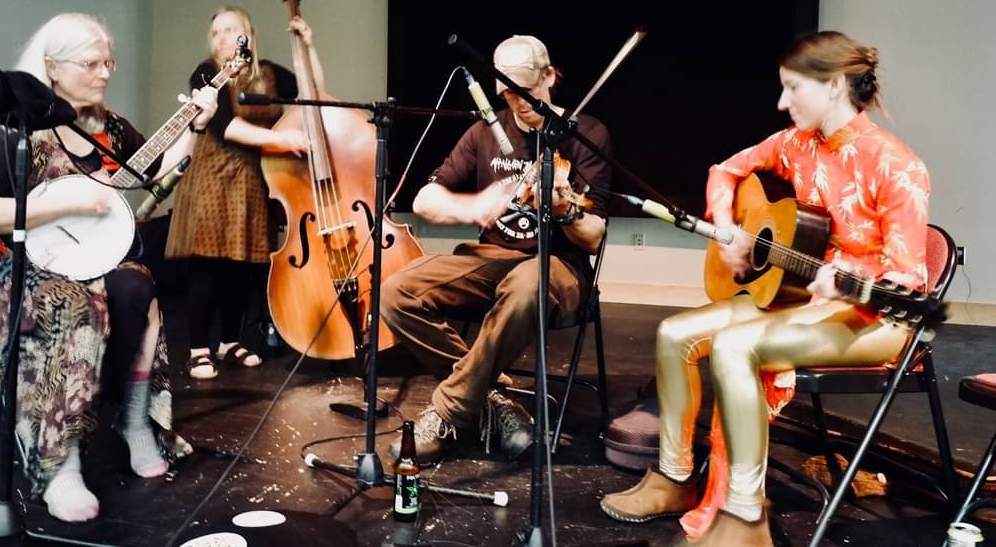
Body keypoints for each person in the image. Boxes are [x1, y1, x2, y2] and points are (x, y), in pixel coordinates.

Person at [598, 31, 931, 546]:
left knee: (735, 345)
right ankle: (674, 477)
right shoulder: (795, 144)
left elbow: (908, 279)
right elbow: (725, 171)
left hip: (876, 321)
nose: (781, 103)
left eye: (792, 89)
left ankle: (745, 516)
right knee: (673, 334)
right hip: (801, 301)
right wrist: (730, 228)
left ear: (836, 85)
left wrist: (847, 284)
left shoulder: (896, 165)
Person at [0, 13, 219, 522]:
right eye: (91, 63)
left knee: (140, 288)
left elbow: (157, 173)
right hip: (17, 265)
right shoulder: (20, 125)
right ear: (52, 67)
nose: (104, 73)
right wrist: (64, 202)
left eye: (109, 62)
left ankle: (134, 420)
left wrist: (195, 126)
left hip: (90, 260)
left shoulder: (110, 126)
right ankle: (60, 462)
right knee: (73, 303)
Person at [381, 35, 613, 465]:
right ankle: (497, 402)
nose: (519, 103)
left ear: (550, 76)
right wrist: (475, 204)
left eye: (526, 91)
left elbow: (595, 235)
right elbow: (423, 201)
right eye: (508, 93)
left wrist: (564, 209)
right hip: (491, 258)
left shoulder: (586, 134)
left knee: (527, 285)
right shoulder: (485, 131)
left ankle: (449, 411)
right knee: (395, 292)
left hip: (557, 265)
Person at [165, 6, 319, 379]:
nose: (221, 38)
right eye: (215, 31)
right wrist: (279, 139)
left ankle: (229, 340)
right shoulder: (207, 73)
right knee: (207, 266)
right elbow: (225, 127)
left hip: (251, 181)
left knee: (241, 268)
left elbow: (314, 90)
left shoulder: (267, 73)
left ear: (247, 35)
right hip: (211, 178)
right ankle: (199, 348)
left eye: (230, 30)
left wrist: (308, 47)